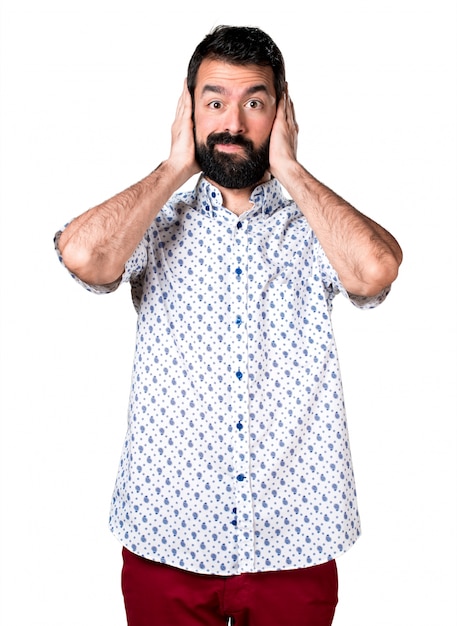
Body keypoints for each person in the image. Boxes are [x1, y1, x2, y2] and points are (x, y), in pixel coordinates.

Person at [55, 25, 402, 626]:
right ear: (188, 109)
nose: (233, 124)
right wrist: (172, 166)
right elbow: (84, 255)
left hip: (295, 544)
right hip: (167, 541)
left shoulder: (314, 226)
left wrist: (291, 168)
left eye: (255, 103)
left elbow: (376, 271)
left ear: (282, 112)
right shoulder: (155, 222)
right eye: (214, 102)